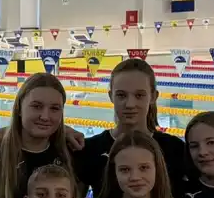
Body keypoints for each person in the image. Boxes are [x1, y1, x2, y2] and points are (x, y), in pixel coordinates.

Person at [74, 58, 191, 188]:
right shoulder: (90, 150)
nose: (130, 104)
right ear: (111, 96)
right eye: (121, 95)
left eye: (139, 95)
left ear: (153, 97)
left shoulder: (175, 149)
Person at [0, 73, 79, 198]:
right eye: (37, 106)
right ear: (19, 109)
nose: (45, 117)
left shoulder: (70, 153)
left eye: (54, 108)